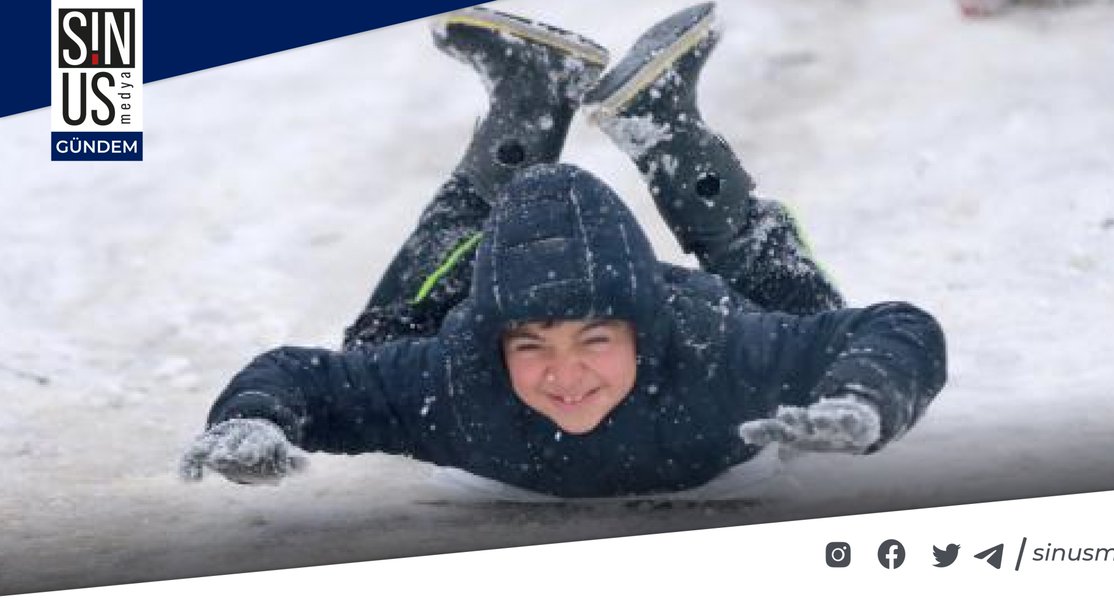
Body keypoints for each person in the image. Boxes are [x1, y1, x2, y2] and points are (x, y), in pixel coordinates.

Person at [179, 3, 947, 499]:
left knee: (806, 320)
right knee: (383, 346)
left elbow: (896, 329)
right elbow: (299, 377)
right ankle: (604, 111)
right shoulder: (450, 382)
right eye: (532, 344)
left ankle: (588, 112)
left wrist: (865, 401)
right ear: (493, 340)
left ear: (643, 330)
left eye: (596, 338)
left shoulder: (720, 353)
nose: (567, 372)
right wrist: (255, 419)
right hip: (484, 343)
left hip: (709, 335)